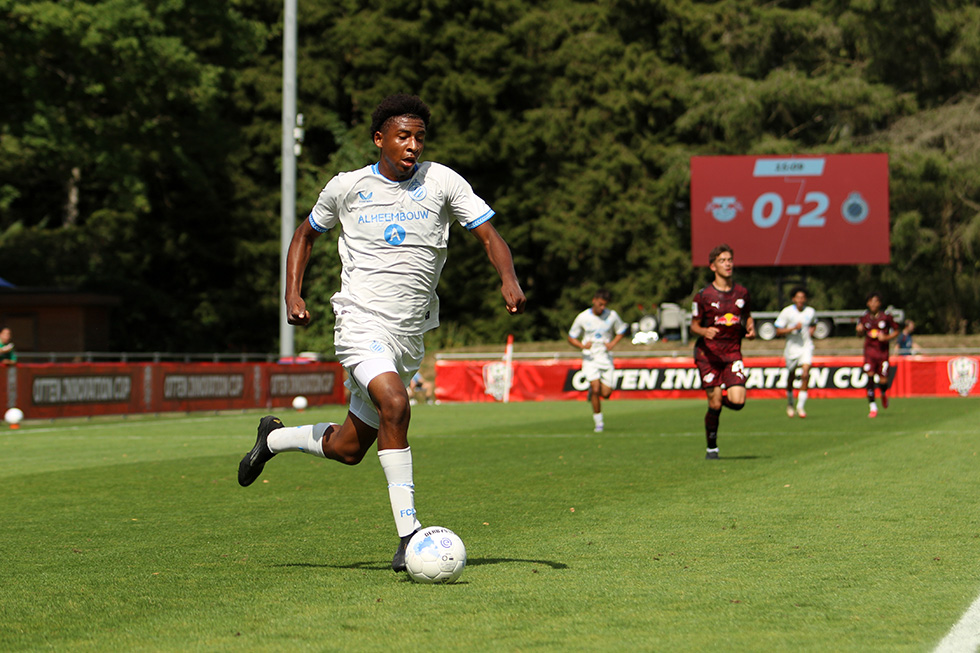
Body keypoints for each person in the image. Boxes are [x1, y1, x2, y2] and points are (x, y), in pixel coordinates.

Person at [236, 94, 526, 572]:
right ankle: (409, 535)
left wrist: (508, 278)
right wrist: (292, 294)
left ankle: (272, 440)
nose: (413, 145)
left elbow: (490, 235)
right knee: (395, 403)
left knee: (349, 449)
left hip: (408, 336)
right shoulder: (347, 187)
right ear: (379, 139)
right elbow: (304, 235)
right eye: (403, 136)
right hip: (360, 322)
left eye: (419, 137)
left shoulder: (443, 181)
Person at [690, 244, 755, 460]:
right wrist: (704, 331)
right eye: (722, 261)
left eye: (729, 260)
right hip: (708, 355)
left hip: (733, 353)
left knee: (738, 402)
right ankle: (712, 447)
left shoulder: (742, 292)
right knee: (715, 404)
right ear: (713, 266)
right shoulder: (703, 296)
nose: (727, 264)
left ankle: (717, 399)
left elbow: (747, 315)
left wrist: (750, 327)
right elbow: (694, 325)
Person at [567, 289, 628, 433]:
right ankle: (599, 423)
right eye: (600, 304)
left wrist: (612, 344)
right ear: (594, 301)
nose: (602, 307)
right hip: (590, 358)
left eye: (604, 305)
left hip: (605, 357)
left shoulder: (612, 315)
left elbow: (621, 330)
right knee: (595, 389)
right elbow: (571, 337)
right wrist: (582, 346)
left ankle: (593, 392)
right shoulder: (583, 317)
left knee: (606, 393)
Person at [774, 287, 816, 418]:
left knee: (805, 374)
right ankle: (790, 402)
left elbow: (814, 323)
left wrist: (811, 331)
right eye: (798, 297)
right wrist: (792, 328)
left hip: (806, 347)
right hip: (791, 349)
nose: (800, 300)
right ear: (793, 299)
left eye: (802, 297)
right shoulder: (787, 312)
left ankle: (801, 407)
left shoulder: (810, 311)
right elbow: (778, 331)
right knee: (791, 376)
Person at [856, 291, 899, 417]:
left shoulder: (886, 317)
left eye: (876, 301)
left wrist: (886, 337)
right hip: (869, 353)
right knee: (869, 377)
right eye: (871, 301)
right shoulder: (864, 318)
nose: (873, 304)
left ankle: (883, 393)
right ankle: (873, 407)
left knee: (883, 381)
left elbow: (896, 331)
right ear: (868, 303)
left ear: (880, 303)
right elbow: (860, 335)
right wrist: (859, 331)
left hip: (882, 353)